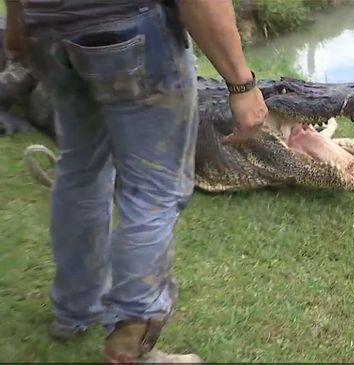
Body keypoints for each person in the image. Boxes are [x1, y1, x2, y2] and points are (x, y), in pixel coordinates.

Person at [3, 0, 268, 362]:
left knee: (80, 169)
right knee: (153, 190)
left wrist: (19, 20)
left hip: (48, 26)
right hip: (127, 28)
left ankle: (74, 312)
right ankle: (130, 343)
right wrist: (242, 84)